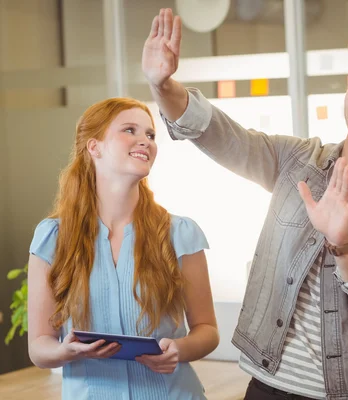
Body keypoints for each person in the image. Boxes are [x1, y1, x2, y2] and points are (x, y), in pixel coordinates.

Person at [142, 8, 348, 400]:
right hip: (266, 384)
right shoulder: (296, 161)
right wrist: (162, 85)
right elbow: (223, 136)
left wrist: (344, 242)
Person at [27, 97, 220, 400]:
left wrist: (179, 350)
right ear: (95, 147)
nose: (145, 140)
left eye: (150, 134)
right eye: (130, 130)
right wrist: (66, 351)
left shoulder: (179, 234)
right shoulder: (53, 238)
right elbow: (39, 347)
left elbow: (207, 329)